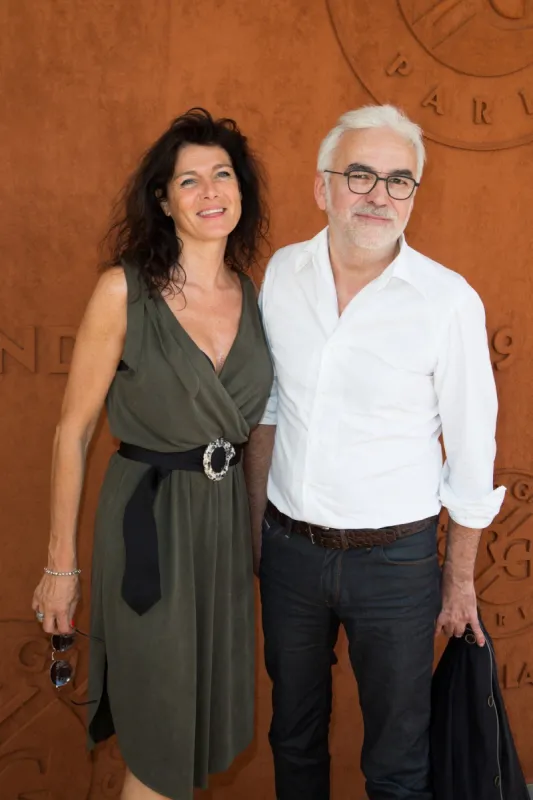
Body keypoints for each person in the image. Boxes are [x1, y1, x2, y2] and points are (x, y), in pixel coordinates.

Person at [244, 105, 506, 800]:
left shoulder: (446, 301)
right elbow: (268, 413)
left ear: (414, 194)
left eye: (398, 181)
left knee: (396, 762)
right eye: (359, 174)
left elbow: (473, 453)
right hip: (290, 555)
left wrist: (456, 581)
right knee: (292, 739)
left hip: (396, 567)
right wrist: (254, 538)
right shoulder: (281, 273)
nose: (378, 196)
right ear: (321, 187)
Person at [31, 108, 273, 800]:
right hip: (149, 532)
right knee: (161, 734)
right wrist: (60, 569)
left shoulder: (251, 297)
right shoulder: (123, 290)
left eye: (221, 174)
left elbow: (260, 430)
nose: (209, 192)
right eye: (187, 180)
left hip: (221, 536)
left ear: (241, 189)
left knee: (194, 730)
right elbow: (71, 432)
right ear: (163, 201)